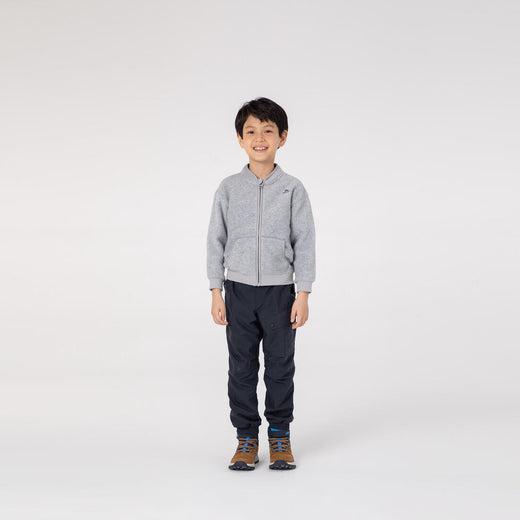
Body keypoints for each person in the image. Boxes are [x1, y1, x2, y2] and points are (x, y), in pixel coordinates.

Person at [206, 97, 316, 470]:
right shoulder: (228, 188)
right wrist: (216, 291)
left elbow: (305, 241)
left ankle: (280, 437)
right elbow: (215, 240)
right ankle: (246, 439)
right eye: (251, 131)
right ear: (240, 138)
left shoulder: (293, 189)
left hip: (279, 293)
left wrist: (303, 293)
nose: (259, 138)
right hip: (237, 292)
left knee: (280, 367)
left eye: (268, 131)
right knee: (241, 368)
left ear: (282, 137)